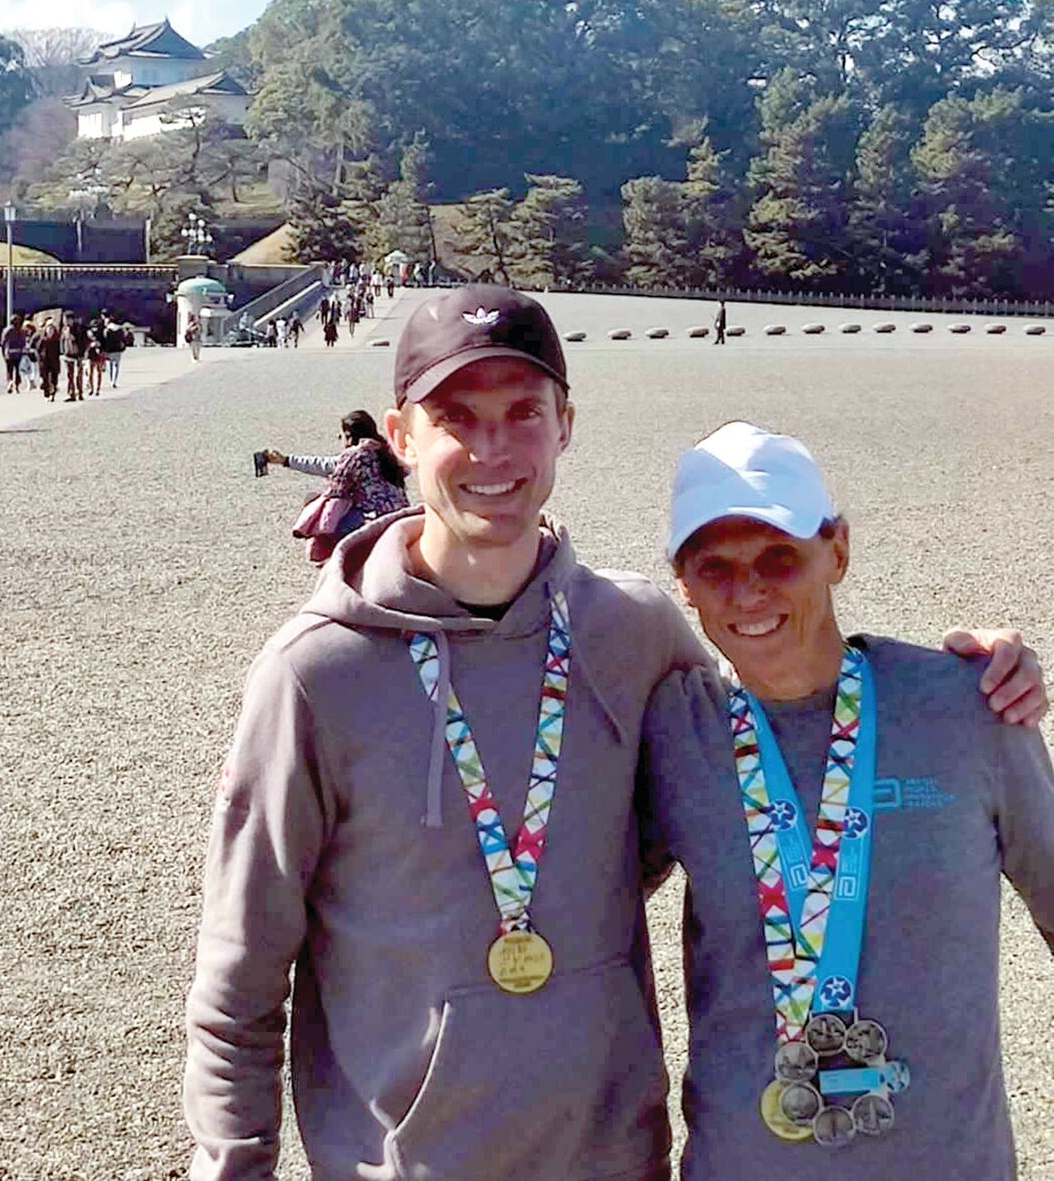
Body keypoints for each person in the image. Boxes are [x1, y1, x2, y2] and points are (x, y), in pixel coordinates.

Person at [184, 286, 1045, 1181]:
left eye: (523, 413)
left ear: (565, 424)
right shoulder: (314, 676)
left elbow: (793, 715)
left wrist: (973, 678)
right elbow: (237, 990)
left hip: (616, 1158)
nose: (492, 449)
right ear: (400, 438)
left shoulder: (633, 636)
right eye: (456, 418)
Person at [641, 422, 1054, 1178]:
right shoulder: (671, 733)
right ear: (683, 584)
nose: (748, 591)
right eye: (714, 568)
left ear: (837, 549)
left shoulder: (970, 707)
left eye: (778, 557)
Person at [264, 409, 410, 561]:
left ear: (349, 436)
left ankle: (339, 561)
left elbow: (336, 488)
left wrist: (285, 461)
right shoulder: (388, 451)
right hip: (400, 512)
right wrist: (285, 460)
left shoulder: (354, 455)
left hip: (373, 517)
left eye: (341, 435)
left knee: (324, 523)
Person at [0, 312, 26, 393]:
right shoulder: (21, 331)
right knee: (17, 370)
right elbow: (23, 342)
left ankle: (10, 382)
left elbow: (3, 342)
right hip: (18, 352)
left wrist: (3, 353)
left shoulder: (6, 330)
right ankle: (17, 386)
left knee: (9, 370)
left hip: (9, 352)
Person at [36, 320, 61, 401]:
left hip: (54, 361)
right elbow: (38, 348)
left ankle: (53, 394)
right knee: (45, 379)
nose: (50, 331)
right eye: (49, 329)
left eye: (52, 329)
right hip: (44, 362)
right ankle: (46, 394)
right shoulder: (42, 339)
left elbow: (60, 350)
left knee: (53, 379)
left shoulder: (56, 339)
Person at [102, 314, 128, 387]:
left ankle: (111, 380)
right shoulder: (120, 329)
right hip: (118, 350)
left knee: (109, 366)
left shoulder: (107, 330)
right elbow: (124, 339)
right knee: (116, 366)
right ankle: (114, 381)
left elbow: (104, 340)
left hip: (109, 350)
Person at [86, 316, 107, 396]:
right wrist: (90, 345)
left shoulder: (101, 334)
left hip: (99, 354)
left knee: (98, 372)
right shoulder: (89, 334)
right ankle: (92, 388)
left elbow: (104, 345)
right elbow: (86, 344)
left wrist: (99, 345)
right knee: (91, 372)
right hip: (91, 354)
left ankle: (97, 389)